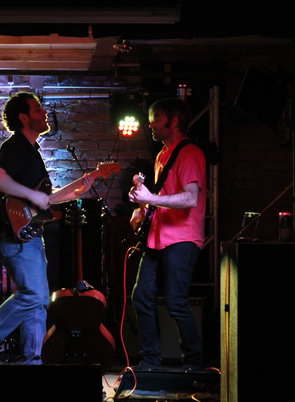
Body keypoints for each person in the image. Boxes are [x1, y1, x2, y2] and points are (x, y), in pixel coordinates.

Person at [0, 92, 94, 365]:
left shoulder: (31, 151)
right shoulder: (16, 146)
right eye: (38, 110)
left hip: (29, 235)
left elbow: (43, 200)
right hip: (13, 236)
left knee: (39, 302)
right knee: (33, 296)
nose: (45, 113)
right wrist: (32, 195)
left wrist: (77, 189)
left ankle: (32, 361)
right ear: (23, 118)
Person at [128, 97, 206, 371]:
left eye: (157, 118)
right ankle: (150, 362)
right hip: (157, 237)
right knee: (141, 297)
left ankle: (193, 365)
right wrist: (142, 205)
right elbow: (164, 197)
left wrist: (150, 198)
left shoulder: (190, 153)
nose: (151, 123)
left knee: (175, 301)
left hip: (182, 238)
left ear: (174, 121)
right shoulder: (163, 154)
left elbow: (190, 198)